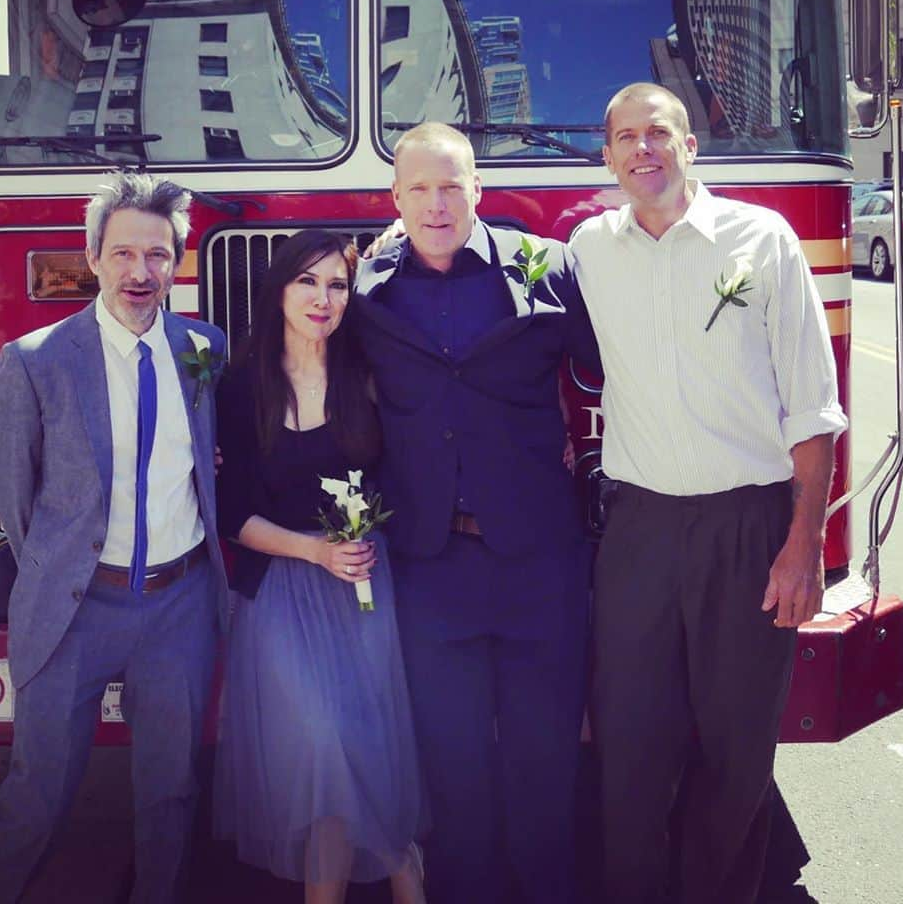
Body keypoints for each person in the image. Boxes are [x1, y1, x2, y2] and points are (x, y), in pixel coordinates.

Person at [572, 82, 846, 904]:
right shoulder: (588, 247)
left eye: (658, 133)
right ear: (609, 155)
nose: (641, 150)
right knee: (628, 750)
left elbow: (813, 407)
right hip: (639, 531)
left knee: (736, 755)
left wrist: (803, 547)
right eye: (624, 137)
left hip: (747, 528)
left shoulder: (761, 239)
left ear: (691, 146)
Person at [0, 171, 228, 904]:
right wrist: (63, 568)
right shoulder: (37, 360)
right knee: (35, 799)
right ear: (94, 256)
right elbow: (16, 497)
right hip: (75, 609)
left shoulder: (205, 349)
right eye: (126, 254)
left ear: (177, 261)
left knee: (169, 797)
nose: (142, 272)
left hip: (179, 607)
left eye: (160, 255)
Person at [352, 123, 601, 904]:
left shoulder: (547, 267)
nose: (436, 203)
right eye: (418, 188)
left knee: (545, 767)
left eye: (451, 185)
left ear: (478, 192)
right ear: (394, 199)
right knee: (452, 774)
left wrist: (589, 463)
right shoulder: (364, 288)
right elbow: (308, 386)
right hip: (431, 567)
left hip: (540, 565)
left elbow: (618, 372)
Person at [213, 229, 426, 904]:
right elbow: (231, 512)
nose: (322, 298)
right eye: (307, 281)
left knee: (365, 746)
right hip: (281, 587)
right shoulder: (242, 383)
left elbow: (411, 468)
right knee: (325, 744)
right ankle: (405, 867)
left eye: (337, 284)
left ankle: (393, 875)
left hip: (365, 587)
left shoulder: (368, 374)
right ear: (279, 289)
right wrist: (314, 551)